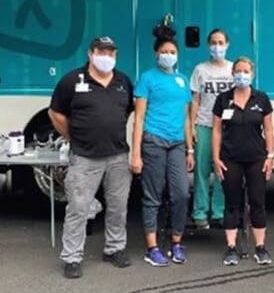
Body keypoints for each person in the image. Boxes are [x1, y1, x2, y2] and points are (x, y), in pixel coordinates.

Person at [49, 36, 135, 279]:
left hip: (118, 155)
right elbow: (55, 112)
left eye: (111, 53)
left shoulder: (123, 81)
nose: (106, 57)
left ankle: (114, 249)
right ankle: (72, 257)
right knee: (78, 208)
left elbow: (128, 112)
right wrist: (73, 137)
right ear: (90, 53)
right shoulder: (72, 80)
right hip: (84, 157)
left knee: (118, 207)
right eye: (102, 52)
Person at [131, 26, 194, 267]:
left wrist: (189, 149)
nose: (169, 55)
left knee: (180, 193)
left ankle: (176, 242)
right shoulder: (147, 78)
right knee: (153, 197)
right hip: (153, 142)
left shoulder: (182, 79)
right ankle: (152, 247)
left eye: (173, 51)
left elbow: (186, 117)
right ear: (157, 54)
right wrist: (136, 154)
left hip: (177, 143)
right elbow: (138, 118)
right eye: (165, 51)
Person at [211, 57, 274, 266]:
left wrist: (270, 156)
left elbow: (269, 129)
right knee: (232, 204)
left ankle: (260, 247)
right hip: (230, 159)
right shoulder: (223, 99)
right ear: (232, 74)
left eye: (245, 71)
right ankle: (231, 247)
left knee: (258, 203)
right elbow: (217, 131)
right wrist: (216, 158)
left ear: (252, 74)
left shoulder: (262, 99)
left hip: (256, 159)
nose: (241, 75)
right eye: (238, 71)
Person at [190, 29, 233, 229]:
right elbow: (195, 100)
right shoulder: (200, 70)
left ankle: (219, 211)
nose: (217, 46)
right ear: (208, 45)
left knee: (222, 170)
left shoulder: (234, 70)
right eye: (214, 42)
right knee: (201, 170)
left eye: (221, 42)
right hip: (205, 124)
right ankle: (199, 212)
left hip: (227, 127)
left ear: (227, 45)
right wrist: (191, 126)